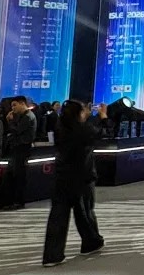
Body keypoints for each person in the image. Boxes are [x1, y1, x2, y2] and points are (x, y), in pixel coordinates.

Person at [42, 100, 104, 266]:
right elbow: (98, 134)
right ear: (79, 113)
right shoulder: (82, 130)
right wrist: (102, 117)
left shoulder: (60, 128)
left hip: (62, 176)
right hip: (81, 177)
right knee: (84, 212)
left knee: (58, 215)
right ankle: (91, 242)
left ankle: (52, 255)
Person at [5, 96, 36, 209]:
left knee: (19, 176)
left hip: (22, 149)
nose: (13, 108)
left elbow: (17, 131)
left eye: (15, 105)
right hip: (18, 149)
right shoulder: (24, 116)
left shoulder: (28, 116)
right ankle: (13, 201)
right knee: (15, 175)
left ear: (22, 103)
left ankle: (18, 201)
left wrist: (10, 121)